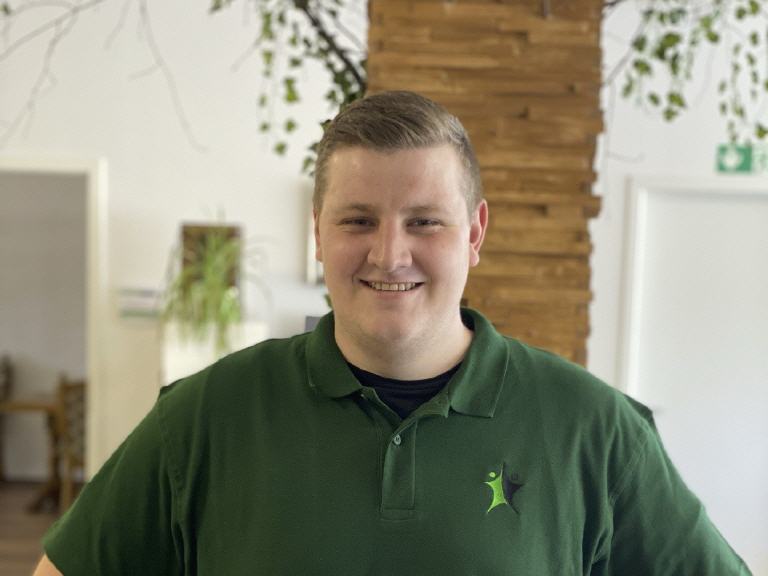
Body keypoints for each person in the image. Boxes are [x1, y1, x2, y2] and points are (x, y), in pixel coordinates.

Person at [34, 91, 751, 575]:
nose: (389, 254)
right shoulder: (206, 417)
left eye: (424, 222)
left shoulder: (594, 428)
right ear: (318, 234)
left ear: (474, 234)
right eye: (358, 220)